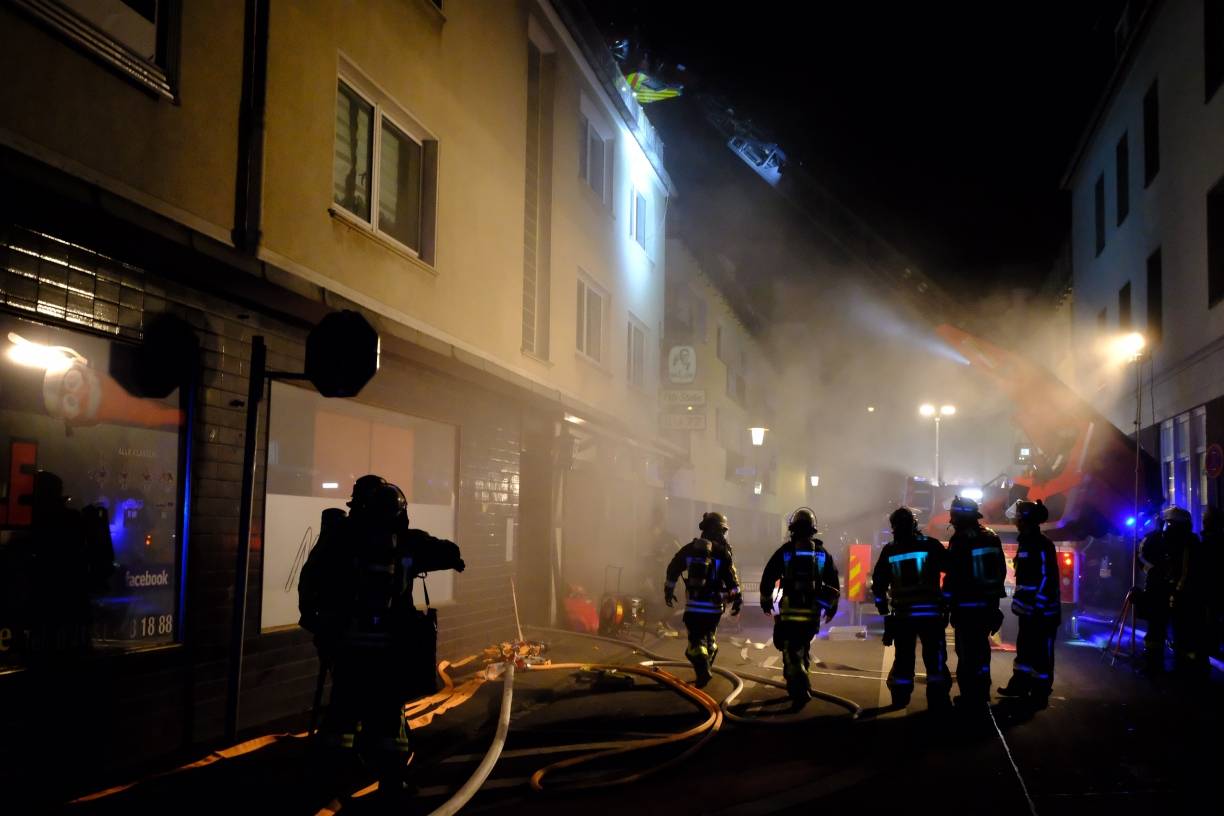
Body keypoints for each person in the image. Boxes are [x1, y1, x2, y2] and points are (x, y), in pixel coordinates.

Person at [299, 474, 465, 804]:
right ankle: (392, 783)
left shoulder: (339, 539)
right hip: (390, 650)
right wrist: (454, 559)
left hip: (348, 648)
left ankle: (332, 782)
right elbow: (449, 552)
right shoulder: (407, 542)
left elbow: (310, 583)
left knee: (343, 716)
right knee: (389, 718)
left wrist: (318, 624)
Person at [871, 506, 951, 709]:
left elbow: (878, 584)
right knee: (935, 659)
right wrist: (946, 601)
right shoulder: (932, 545)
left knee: (904, 659)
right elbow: (952, 570)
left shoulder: (890, 549)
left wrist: (885, 613)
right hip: (931, 614)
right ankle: (938, 699)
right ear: (915, 525)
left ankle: (900, 698)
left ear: (894, 527)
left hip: (903, 615)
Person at [760, 508, 840, 704]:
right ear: (813, 529)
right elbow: (833, 584)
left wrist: (765, 601)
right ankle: (800, 682)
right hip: (812, 613)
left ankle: (800, 681)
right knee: (803, 646)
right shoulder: (822, 553)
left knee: (790, 649)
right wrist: (831, 608)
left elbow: (768, 576)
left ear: (792, 528)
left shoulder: (785, 551)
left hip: (789, 612)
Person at [664, 512, 742, 687]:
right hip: (714, 608)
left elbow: (673, 568)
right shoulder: (723, 552)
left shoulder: (690, 549)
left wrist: (668, 590)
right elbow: (732, 580)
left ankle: (703, 669)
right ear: (720, 530)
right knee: (710, 639)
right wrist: (737, 600)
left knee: (695, 644)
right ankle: (705, 668)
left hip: (694, 606)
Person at [943, 495, 1006, 708]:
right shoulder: (992, 536)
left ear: (959, 516)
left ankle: (969, 696)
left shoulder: (960, 539)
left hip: (965, 607)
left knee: (966, 653)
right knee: (981, 652)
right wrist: (995, 606)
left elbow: (953, 575)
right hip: (987, 606)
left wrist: (946, 603)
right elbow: (1000, 572)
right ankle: (982, 693)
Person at [997, 500, 1059, 707]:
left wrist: (1038, 606)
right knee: (1024, 649)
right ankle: (1020, 685)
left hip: (1042, 612)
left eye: (1017, 517)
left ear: (1024, 520)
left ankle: (1040, 692)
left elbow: (1046, 577)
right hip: (1029, 611)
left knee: (1042, 653)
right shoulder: (1027, 541)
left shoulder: (1041, 543)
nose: (1014, 520)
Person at [1139, 505, 1197, 676]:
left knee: (1182, 632)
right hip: (1158, 591)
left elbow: (1190, 569)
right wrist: (1153, 570)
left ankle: (1184, 669)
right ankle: (1153, 666)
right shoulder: (1153, 539)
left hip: (1182, 593)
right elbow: (1141, 556)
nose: (1174, 529)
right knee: (1156, 631)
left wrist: (1179, 589)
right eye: (1172, 525)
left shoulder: (1190, 542)